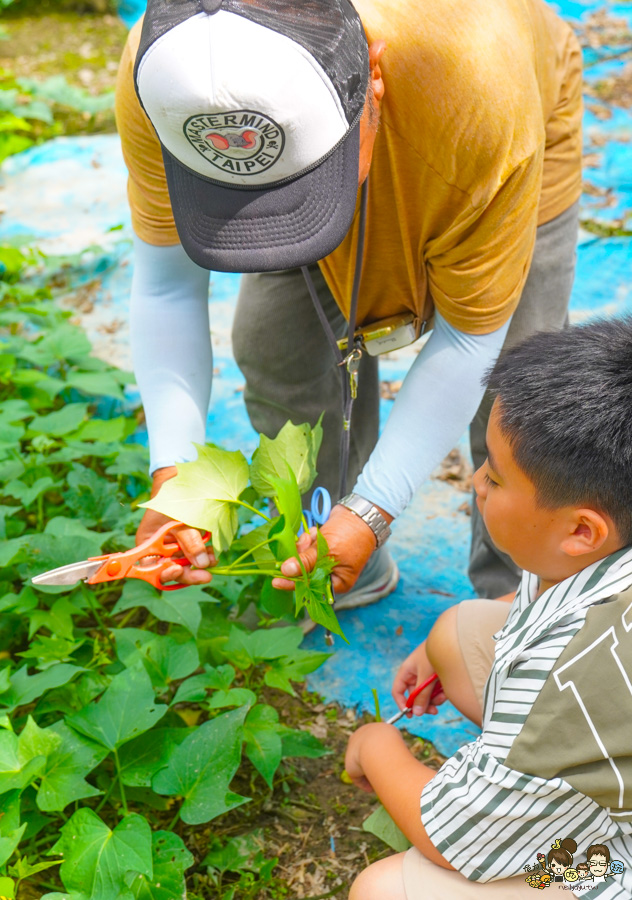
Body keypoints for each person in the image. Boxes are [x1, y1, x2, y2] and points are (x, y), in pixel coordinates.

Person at [115, 0, 582, 602]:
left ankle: (516, 604)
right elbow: (166, 284)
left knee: (520, 387)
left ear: (374, 80)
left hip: (487, 122)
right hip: (367, 132)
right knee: (277, 349)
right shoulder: (160, 79)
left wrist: (376, 506)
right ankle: (326, 557)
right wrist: (175, 478)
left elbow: (472, 338)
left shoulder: (478, 91)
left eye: (298, 184)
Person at [345, 318, 632, 899]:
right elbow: (534, 600)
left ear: (581, 529)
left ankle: (566, 854)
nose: (476, 480)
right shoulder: (595, 560)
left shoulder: (568, 679)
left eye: (496, 477)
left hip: (615, 857)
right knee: (457, 631)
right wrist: (434, 644)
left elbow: (449, 838)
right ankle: (530, 791)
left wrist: (376, 746)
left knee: (385, 890)